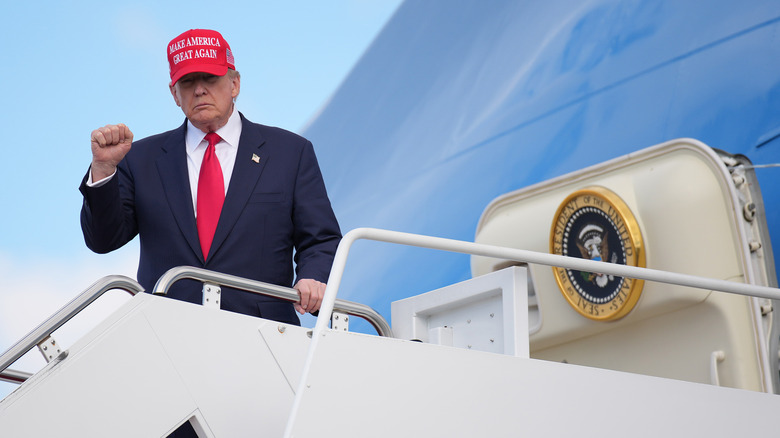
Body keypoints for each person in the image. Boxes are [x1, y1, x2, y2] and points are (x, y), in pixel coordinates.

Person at [80, 29, 341, 326]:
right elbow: (103, 240)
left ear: (235, 84)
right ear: (174, 93)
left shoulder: (290, 153)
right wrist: (103, 171)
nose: (200, 90)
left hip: (265, 336)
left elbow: (320, 239)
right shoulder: (139, 159)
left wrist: (313, 277)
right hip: (167, 334)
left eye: (210, 78)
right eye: (188, 82)